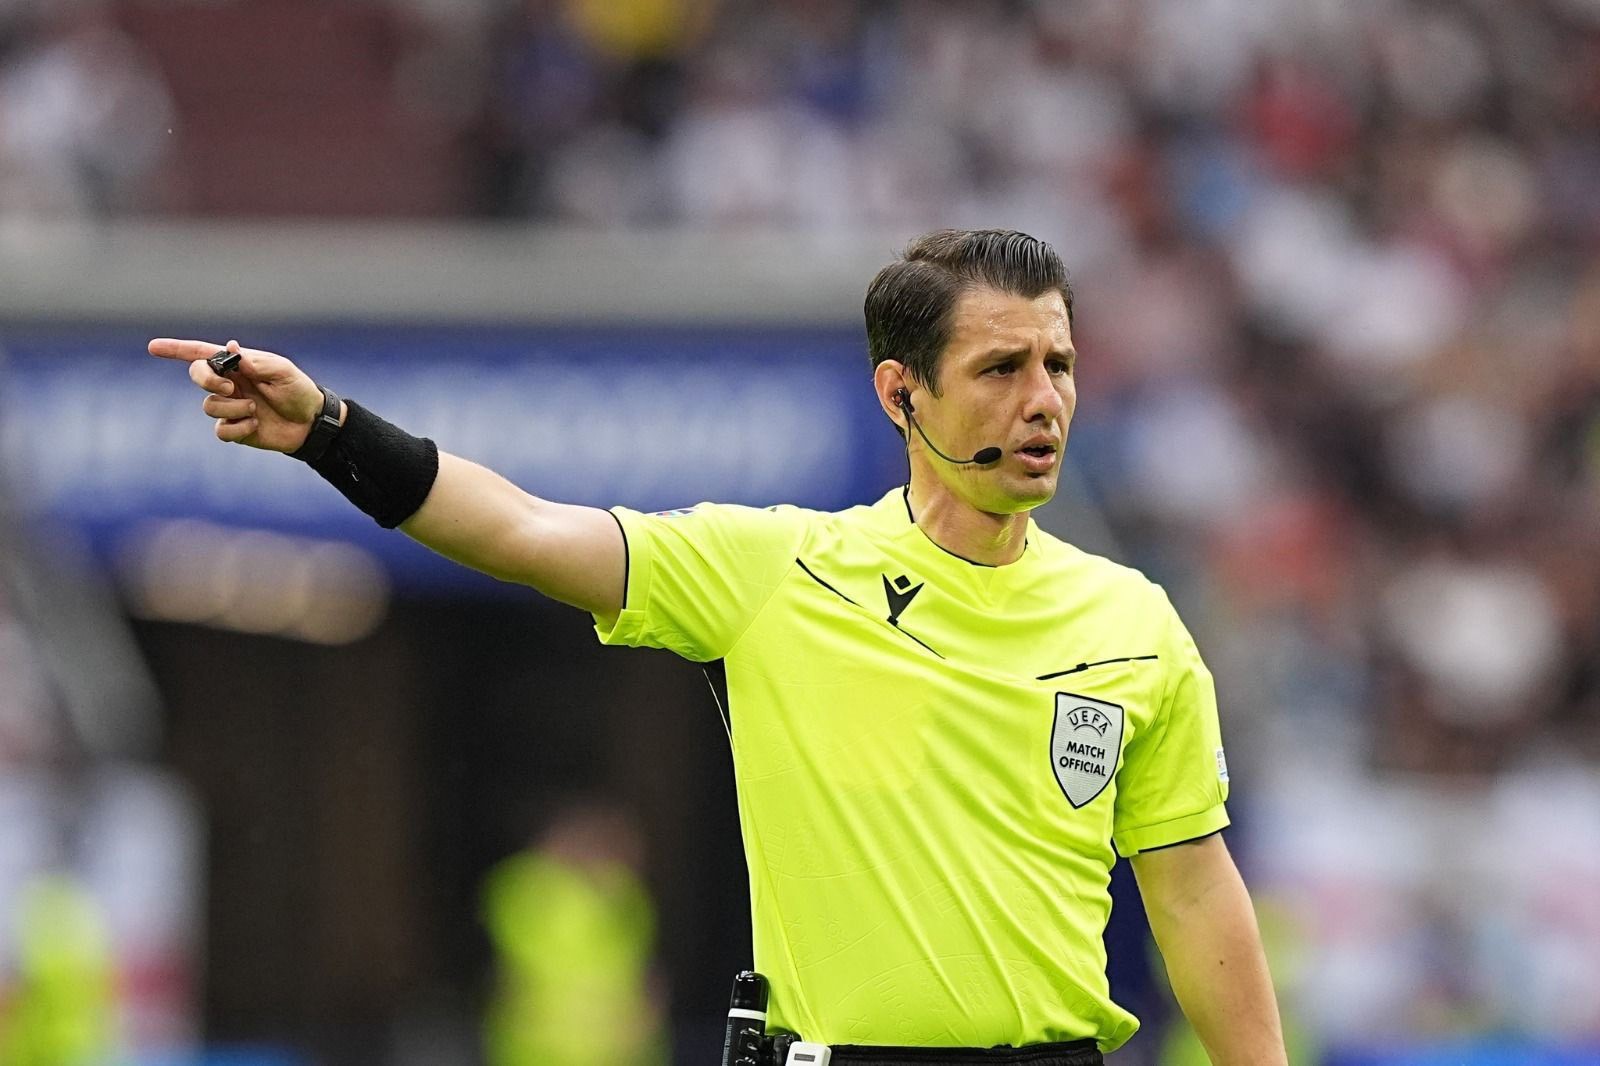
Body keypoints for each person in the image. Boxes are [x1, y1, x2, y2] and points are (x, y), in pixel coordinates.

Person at [149, 229, 1285, 1065]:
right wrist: (331, 432)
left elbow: (1193, 894)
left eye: (1059, 365)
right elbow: (525, 531)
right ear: (901, 393)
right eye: (1001, 369)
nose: (1043, 401)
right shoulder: (776, 571)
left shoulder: (1134, 622)